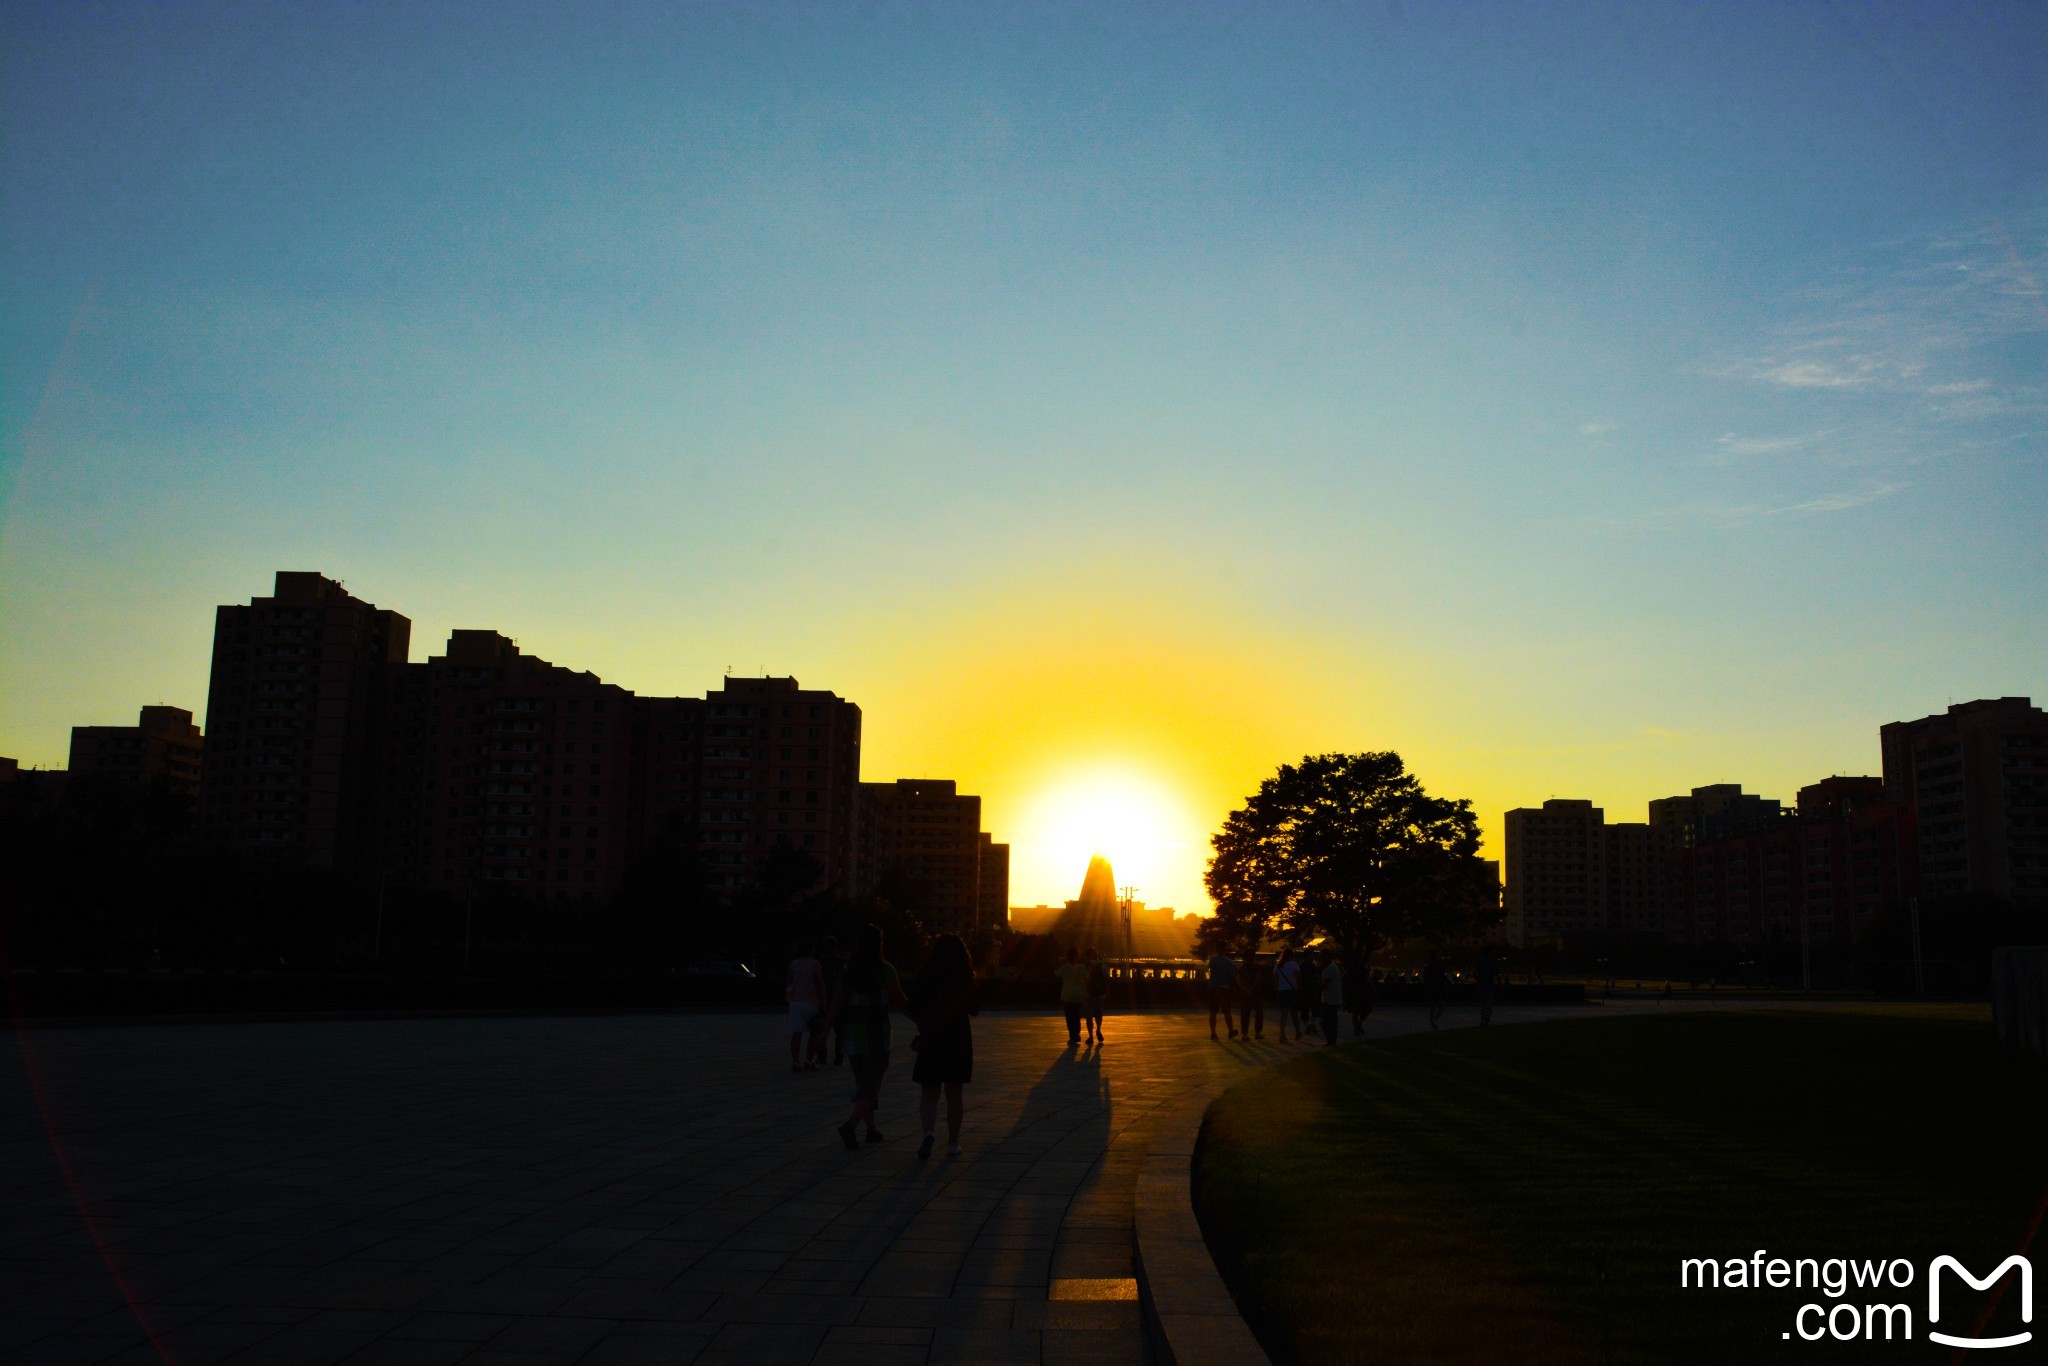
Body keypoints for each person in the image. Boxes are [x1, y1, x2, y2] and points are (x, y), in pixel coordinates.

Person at [828, 923, 909, 1150]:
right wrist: (922, 1020)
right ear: (879, 944)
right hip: (876, 1036)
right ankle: (850, 1126)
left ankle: (871, 1130)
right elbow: (901, 1001)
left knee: (864, 1083)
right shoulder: (886, 971)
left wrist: (825, 1031)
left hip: (851, 1036)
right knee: (870, 1085)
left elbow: (836, 1002)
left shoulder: (848, 970)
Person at [908, 933, 980, 1159]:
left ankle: (928, 1132)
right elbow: (975, 1008)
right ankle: (952, 1143)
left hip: (932, 1036)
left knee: (929, 1092)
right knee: (954, 1093)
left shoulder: (926, 974)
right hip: (957, 1037)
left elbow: (913, 1006)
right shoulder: (964, 976)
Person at [786, 941, 827, 1073]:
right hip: (811, 1001)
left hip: (796, 1001)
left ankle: (796, 1061)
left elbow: (790, 980)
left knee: (796, 1034)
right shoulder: (815, 964)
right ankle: (809, 1060)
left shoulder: (794, 964)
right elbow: (819, 984)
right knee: (814, 1034)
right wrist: (823, 1003)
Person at [816, 935, 846, 1066]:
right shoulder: (842, 963)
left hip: (823, 1000)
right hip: (839, 999)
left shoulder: (819, 962)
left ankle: (822, 1057)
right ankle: (839, 1058)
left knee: (821, 1030)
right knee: (840, 1031)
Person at [1055, 947, 1091, 1046]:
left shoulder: (1065, 967)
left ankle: (1072, 1036)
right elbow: (1088, 976)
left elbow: (1057, 974)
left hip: (1067, 995)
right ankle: (1076, 1033)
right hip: (1078, 995)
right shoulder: (1081, 967)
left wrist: (1059, 964)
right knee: (1076, 1016)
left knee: (1069, 1017)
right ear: (1077, 956)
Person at [1206, 946, 1239, 1040]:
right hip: (1224, 987)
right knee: (1227, 1011)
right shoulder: (1228, 961)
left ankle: (1213, 1032)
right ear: (1224, 950)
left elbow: (1210, 970)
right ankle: (1230, 1031)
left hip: (1212, 987)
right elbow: (1232, 975)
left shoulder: (1212, 960)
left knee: (1213, 1011)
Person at [1271, 948, 1301, 1042]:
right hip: (1292, 990)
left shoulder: (1278, 966)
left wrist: (1276, 990)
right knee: (1294, 1013)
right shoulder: (1294, 965)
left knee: (1284, 1014)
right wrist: (1299, 989)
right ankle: (1297, 1033)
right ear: (1291, 956)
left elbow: (1275, 980)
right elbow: (1298, 978)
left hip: (1282, 991)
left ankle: (1282, 1034)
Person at [1237, 948, 1265, 1040]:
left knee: (1245, 1014)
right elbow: (1258, 979)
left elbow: (1238, 981)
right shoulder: (1257, 967)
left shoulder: (1242, 968)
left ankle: (1245, 1034)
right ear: (1254, 956)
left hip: (1244, 994)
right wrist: (1252, 989)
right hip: (1256, 993)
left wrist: (1245, 989)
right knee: (1259, 1013)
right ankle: (1257, 1032)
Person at [1345, 951, 1374, 1036]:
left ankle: (1356, 1027)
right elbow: (1368, 980)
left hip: (1353, 991)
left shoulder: (1350, 968)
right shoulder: (1363, 969)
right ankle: (1358, 1025)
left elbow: (1346, 979)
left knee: (1355, 1011)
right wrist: (1374, 990)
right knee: (1366, 1010)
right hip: (1362, 991)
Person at [1084, 948, 1110, 1045]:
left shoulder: (1085, 966)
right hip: (1100, 993)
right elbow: (1107, 979)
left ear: (1087, 955)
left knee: (1089, 1016)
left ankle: (1090, 1036)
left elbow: (1083, 979)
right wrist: (1107, 992)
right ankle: (1098, 1030)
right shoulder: (1102, 965)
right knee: (1099, 1013)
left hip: (1089, 993)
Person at [1319, 951, 1344, 1045]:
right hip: (1331, 998)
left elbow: (1325, 983)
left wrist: (1317, 994)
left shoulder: (1330, 968)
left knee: (1328, 1020)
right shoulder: (1332, 967)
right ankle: (1331, 1040)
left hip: (1330, 999)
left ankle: (1331, 1040)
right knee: (1331, 1020)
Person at [1424, 949, 1449, 1030]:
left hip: (1431, 989)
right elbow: (1444, 979)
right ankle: (1435, 1019)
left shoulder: (1428, 968)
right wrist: (1445, 990)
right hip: (1439, 989)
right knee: (1442, 1007)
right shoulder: (1440, 967)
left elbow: (1426, 980)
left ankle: (1433, 1021)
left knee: (1432, 1007)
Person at [1476, 943, 1497, 1026]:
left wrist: (1478, 980)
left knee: (1483, 1004)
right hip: (1489, 986)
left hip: (1481, 986)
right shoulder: (1492, 962)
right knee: (1488, 1005)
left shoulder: (1480, 962)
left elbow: (1476, 973)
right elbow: (1496, 973)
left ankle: (1483, 1020)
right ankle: (1486, 1021)